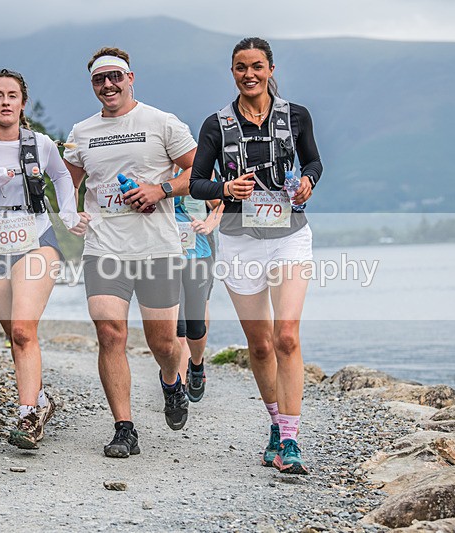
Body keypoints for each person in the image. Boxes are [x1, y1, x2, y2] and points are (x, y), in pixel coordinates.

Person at [189, 37, 323, 475]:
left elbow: (314, 164)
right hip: (240, 241)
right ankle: (275, 424)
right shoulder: (217, 124)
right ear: (232, 72)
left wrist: (307, 183)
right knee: (261, 345)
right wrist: (226, 189)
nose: (250, 74)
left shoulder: (296, 115)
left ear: (270, 69)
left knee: (286, 336)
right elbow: (197, 184)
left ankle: (291, 440)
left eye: (257, 66)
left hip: (289, 237)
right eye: (241, 67)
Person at [0, 69, 89, 449]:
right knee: (15, 335)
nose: (5, 101)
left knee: (23, 330)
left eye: (12, 95)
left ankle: (26, 418)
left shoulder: (40, 144)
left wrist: (70, 216)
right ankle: (40, 401)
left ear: (23, 102)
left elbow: (61, 178)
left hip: (35, 241)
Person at [63, 47, 197, 458]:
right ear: (93, 85)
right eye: (99, 80)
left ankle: (172, 382)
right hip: (104, 247)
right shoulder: (81, 132)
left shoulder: (161, 122)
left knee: (163, 344)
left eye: (115, 77)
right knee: (110, 334)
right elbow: (66, 184)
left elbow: (199, 172)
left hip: (157, 247)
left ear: (130, 77)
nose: (108, 85)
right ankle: (124, 428)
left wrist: (161, 189)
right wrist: (71, 216)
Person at [173, 168, 223, 402]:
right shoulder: (151, 165)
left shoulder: (198, 168)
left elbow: (220, 203)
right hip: (166, 254)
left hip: (200, 250)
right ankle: (177, 388)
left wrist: (209, 225)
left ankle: (197, 364)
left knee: (197, 314)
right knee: (177, 326)